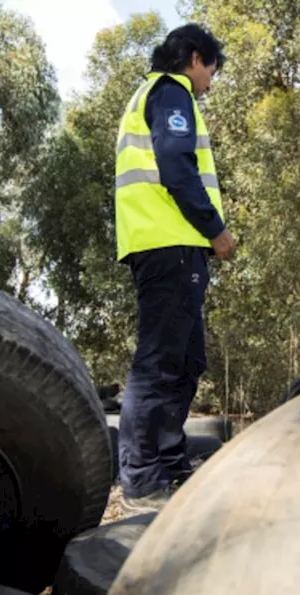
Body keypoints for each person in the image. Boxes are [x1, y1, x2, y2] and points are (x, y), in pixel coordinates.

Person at [113, 23, 235, 505]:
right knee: (160, 363)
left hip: (165, 244)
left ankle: (168, 462)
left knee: (187, 360)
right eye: (212, 69)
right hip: (170, 243)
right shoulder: (170, 92)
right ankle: (141, 481)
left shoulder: (154, 95)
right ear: (193, 57)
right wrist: (214, 228)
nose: (210, 82)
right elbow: (176, 164)